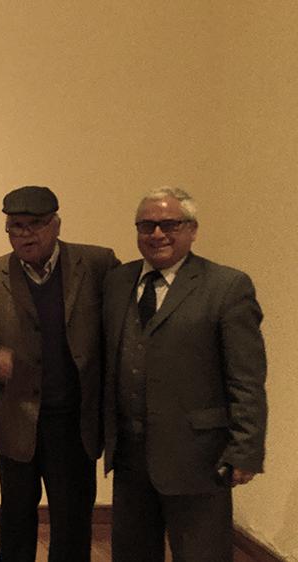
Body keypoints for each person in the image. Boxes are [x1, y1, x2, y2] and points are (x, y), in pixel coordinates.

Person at [103, 187, 268, 562]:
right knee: (131, 553)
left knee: (201, 554)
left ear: (192, 229)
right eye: (147, 225)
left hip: (198, 457)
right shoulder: (117, 283)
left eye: (169, 224)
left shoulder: (226, 287)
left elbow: (246, 376)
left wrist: (245, 448)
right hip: (130, 455)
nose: (157, 234)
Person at [0, 186, 120, 562]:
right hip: (17, 418)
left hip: (74, 420)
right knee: (16, 518)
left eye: (34, 225)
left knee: (72, 521)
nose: (25, 234)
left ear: (55, 224)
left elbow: (120, 327)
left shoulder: (98, 265)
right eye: (15, 226)